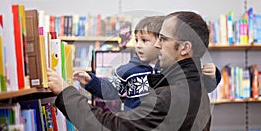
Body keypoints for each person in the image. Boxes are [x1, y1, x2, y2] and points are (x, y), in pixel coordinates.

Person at [48, 10, 213, 131]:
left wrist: (66, 94)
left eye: (163, 39)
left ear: (185, 48)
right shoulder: (196, 88)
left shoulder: (169, 98)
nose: (157, 45)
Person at [74, 15, 221, 111]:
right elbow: (110, 91)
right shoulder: (127, 70)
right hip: (135, 128)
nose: (138, 45)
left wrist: (213, 75)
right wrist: (90, 81)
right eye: (136, 40)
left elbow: (199, 87)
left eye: (144, 40)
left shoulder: (172, 70)